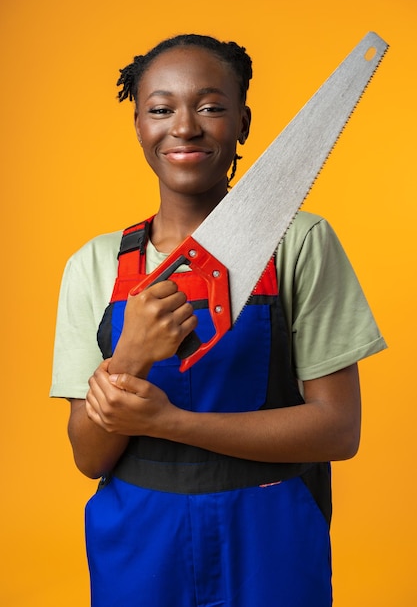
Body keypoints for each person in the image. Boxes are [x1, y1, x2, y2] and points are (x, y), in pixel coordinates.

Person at [50, 34, 387, 607]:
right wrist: (130, 355)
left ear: (243, 122)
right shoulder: (93, 265)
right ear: (138, 125)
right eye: (161, 109)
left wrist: (170, 421)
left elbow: (338, 430)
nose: (184, 127)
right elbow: (89, 457)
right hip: (139, 546)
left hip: (270, 541)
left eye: (210, 106)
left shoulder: (300, 243)